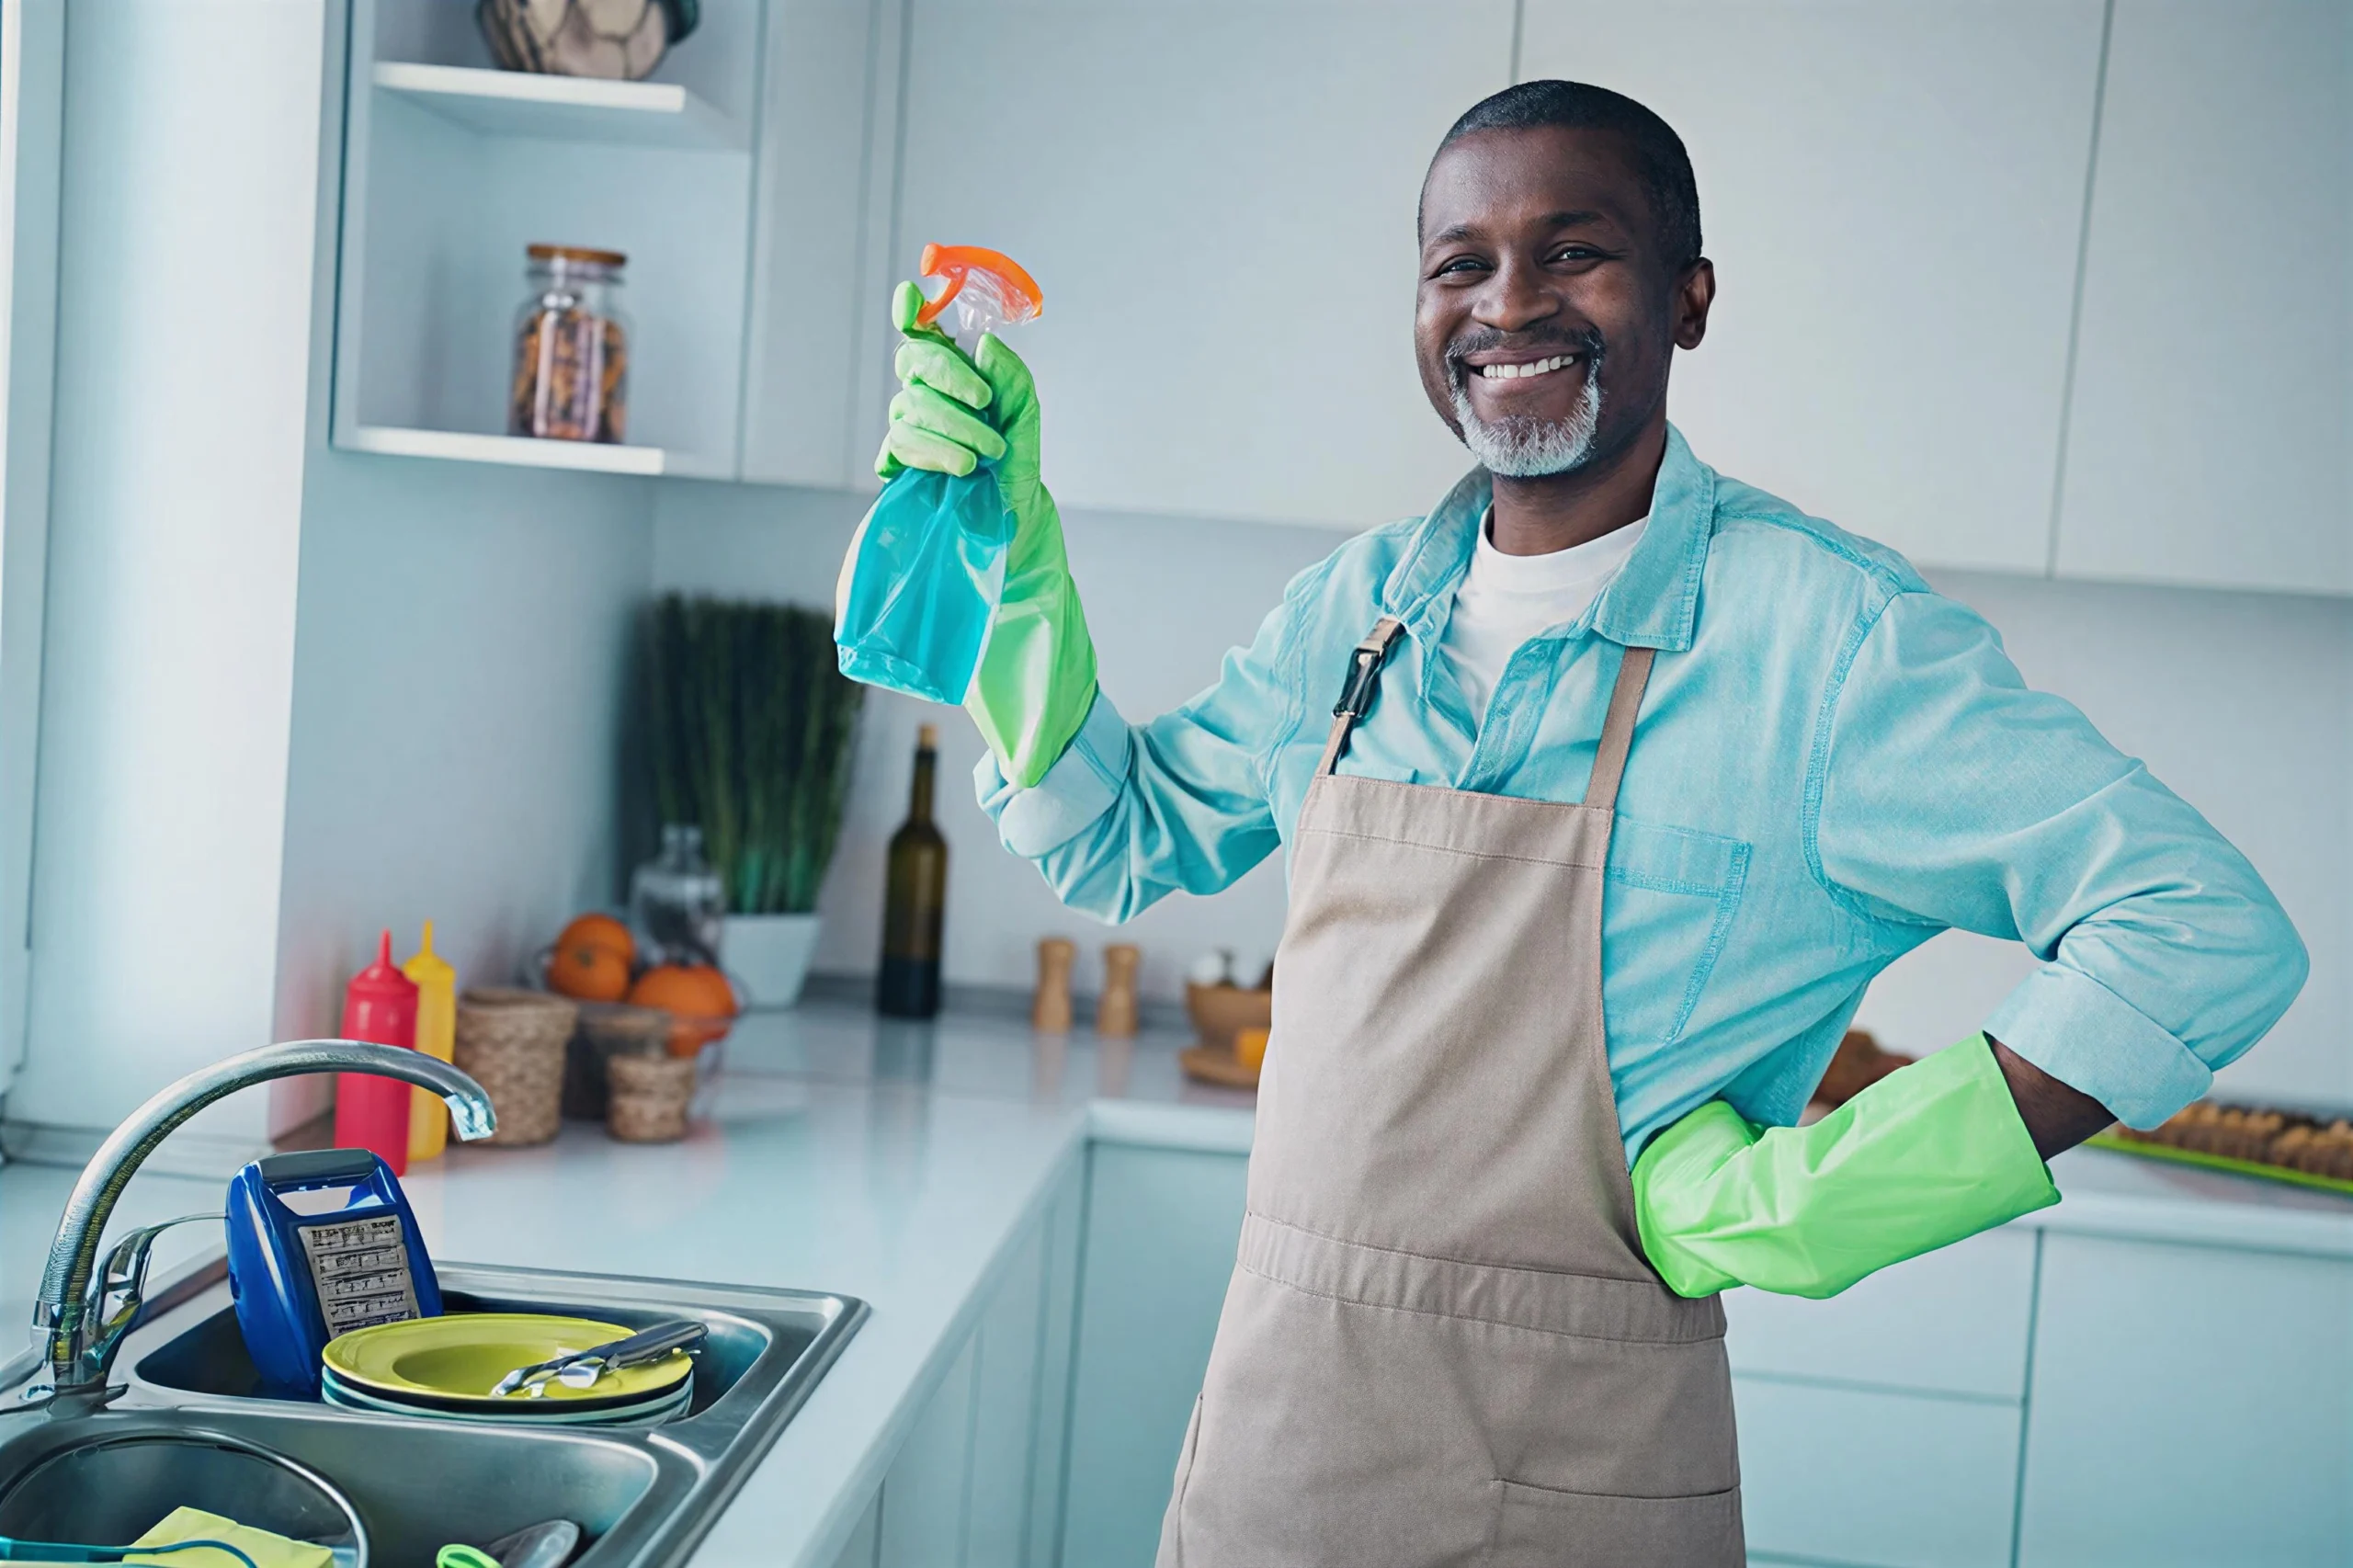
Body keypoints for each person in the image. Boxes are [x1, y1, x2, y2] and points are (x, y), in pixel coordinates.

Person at [853, 81, 2308, 1566]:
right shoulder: (1357, 614)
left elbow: (2201, 933)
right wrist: (1012, 560)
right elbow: (1125, 833)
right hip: (1278, 1465)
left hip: (1585, 1485)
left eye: (1573, 251)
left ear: (1688, 298)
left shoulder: (1827, 645)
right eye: (1459, 263)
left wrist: (1811, 1203)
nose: (1508, 305)